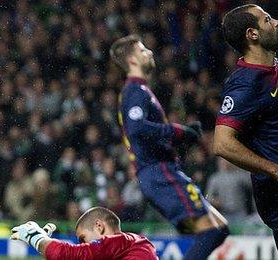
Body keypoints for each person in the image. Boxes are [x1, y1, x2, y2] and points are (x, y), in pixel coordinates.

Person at [110, 34, 229, 259]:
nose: (149, 52)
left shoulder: (140, 91)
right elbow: (137, 129)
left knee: (220, 229)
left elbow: (145, 133)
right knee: (211, 232)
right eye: (143, 50)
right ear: (132, 61)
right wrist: (178, 131)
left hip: (160, 173)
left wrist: (180, 138)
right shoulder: (135, 91)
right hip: (159, 174)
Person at [214, 4, 278, 246]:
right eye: (268, 20)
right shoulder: (245, 85)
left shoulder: (272, 65)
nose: (276, 23)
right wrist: (273, 169)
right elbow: (222, 143)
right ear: (253, 35)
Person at [10, 206, 157, 259]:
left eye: (82, 239)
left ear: (99, 226)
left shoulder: (122, 241)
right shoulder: (133, 246)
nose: (82, 244)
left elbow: (70, 254)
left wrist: (36, 238)